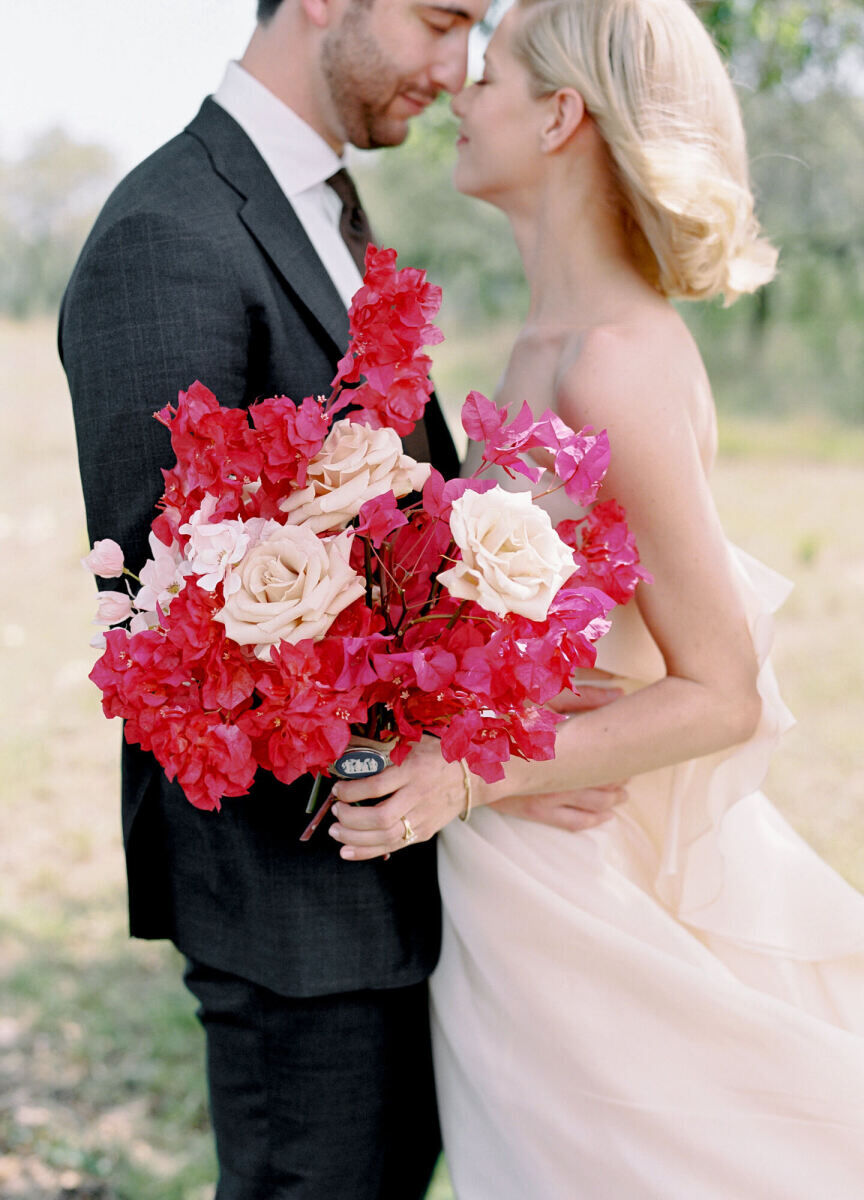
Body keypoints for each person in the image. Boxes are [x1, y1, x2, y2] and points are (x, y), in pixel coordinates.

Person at [327, 0, 864, 1193]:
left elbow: (723, 691)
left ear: (561, 114)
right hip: (506, 893)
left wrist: (467, 775)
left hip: (577, 898)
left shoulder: (612, 361)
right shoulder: (541, 345)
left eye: (495, 75)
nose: (462, 92)